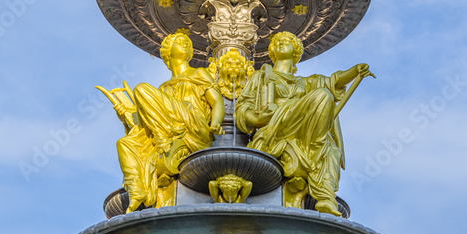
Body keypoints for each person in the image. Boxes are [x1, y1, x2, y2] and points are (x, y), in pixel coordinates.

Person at [235, 31, 373, 216]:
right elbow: (243, 109)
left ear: (296, 51)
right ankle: (316, 143)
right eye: (278, 42)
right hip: (274, 128)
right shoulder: (261, 78)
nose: (281, 44)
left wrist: (355, 71)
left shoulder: (306, 83)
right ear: (273, 51)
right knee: (323, 95)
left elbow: (333, 82)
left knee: (332, 149)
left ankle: (325, 197)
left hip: (302, 130)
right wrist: (259, 120)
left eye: (287, 41)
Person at [105, 32, 225, 213]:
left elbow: (217, 101)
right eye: (180, 42)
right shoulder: (163, 89)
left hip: (193, 126)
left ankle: (163, 138)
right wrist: (127, 118)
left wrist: (215, 123)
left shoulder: (199, 73)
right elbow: (144, 124)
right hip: (172, 128)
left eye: (187, 43)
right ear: (168, 52)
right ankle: (137, 189)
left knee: (142, 89)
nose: (185, 44)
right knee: (125, 143)